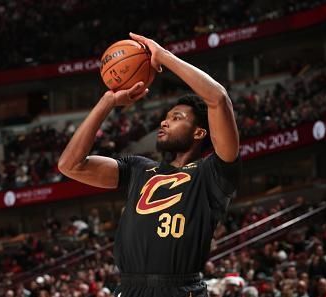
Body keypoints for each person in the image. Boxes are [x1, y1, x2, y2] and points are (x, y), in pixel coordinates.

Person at [58, 32, 240, 297]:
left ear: (199, 132)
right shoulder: (139, 169)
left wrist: (163, 56)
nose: (164, 122)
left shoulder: (213, 172)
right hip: (129, 289)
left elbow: (218, 98)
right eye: (166, 117)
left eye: (176, 118)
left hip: (180, 288)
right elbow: (69, 165)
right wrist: (108, 101)